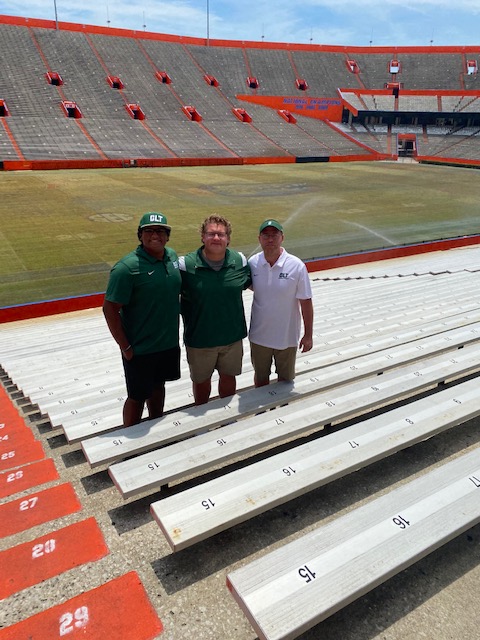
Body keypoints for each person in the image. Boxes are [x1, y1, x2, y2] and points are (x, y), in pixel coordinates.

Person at [103, 212, 181, 426]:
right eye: (149, 231)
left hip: (167, 345)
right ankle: (131, 442)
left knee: (158, 387)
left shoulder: (172, 258)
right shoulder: (126, 268)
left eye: (160, 231)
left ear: (167, 236)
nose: (155, 235)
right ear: (140, 235)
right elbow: (110, 309)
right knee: (137, 396)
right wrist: (125, 346)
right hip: (140, 349)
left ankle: (154, 429)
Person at [179, 215, 251, 405]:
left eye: (221, 234)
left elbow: (255, 285)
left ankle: (225, 419)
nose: (216, 238)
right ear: (202, 236)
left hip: (232, 338)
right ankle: (201, 422)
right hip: (200, 341)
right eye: (211, 234)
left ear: (228, 238)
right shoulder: (185, 265)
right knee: (201, 383)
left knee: (229, 378)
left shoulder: (239, 260)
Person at [248, 219, 313, 387]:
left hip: (287, 337)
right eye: (266, 235)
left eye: (274, 235)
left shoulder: (296, 266)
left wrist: (308, 335)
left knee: (285, 382)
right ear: (259, 239)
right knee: (260, 381)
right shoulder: (252, 263)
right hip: (259, 336)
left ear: (282, 237)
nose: (270, 239)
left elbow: (306, 301)